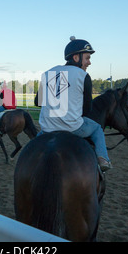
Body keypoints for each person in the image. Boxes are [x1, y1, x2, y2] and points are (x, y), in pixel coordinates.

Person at [35, 36, 112, 171]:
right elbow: (87, 110)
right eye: (87, 58)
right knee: (97, 128)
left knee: (34, 144)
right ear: (76, 58)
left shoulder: (48, 73)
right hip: (73, 128)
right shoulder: (83, 76)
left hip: (47, 129)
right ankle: (103, 159)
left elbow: (37, 102)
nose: (89, 62)